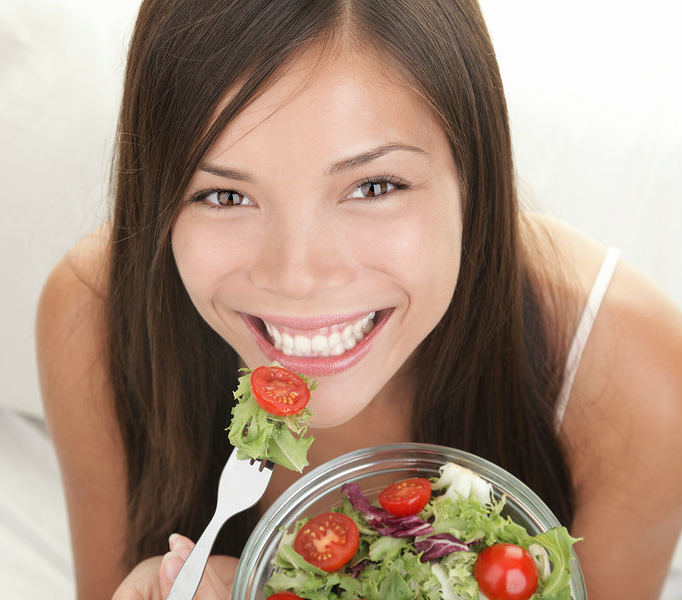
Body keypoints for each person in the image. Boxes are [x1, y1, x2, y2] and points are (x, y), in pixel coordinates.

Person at [35, 1, 682, 598]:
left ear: (474, 172)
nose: (298, 275)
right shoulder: (91, 315)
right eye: (224, 195)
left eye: (373, 186)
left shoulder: (631, 372)